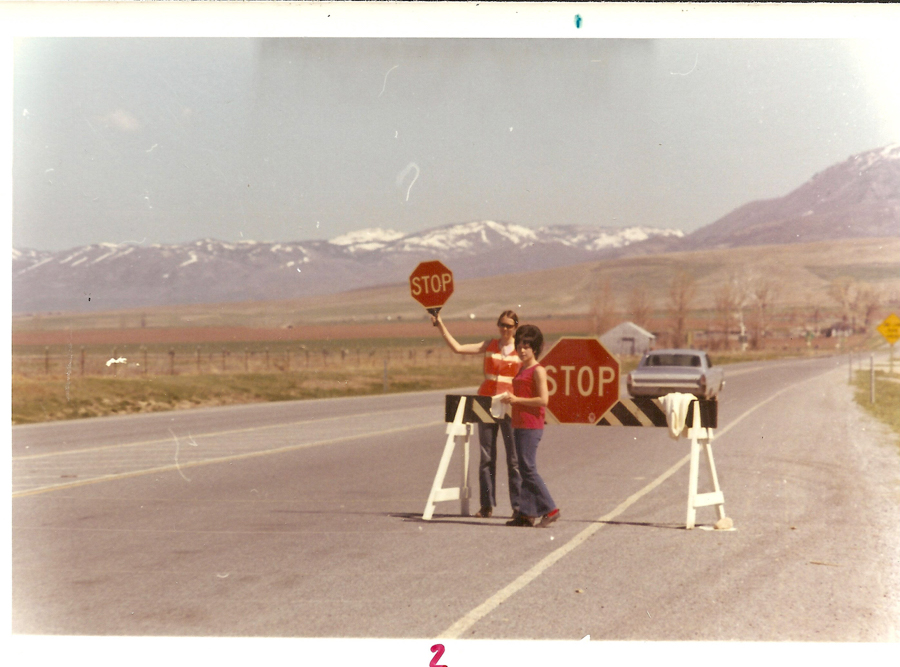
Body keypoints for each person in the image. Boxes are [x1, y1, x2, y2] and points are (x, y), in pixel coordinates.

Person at [431, 310, 522, 519]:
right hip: (487, 405)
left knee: (514, 459)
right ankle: (486, 506)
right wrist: (440, 325)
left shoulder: (522, 350)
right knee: (486, 457)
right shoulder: (489, 345)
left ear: (516, 327)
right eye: (501, 324)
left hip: (510, 408)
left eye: (509, 325)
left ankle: (518, 507)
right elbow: (458, 348)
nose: (505, 329)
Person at [501, 324, 560, 528]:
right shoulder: (522, 369)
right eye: (519, 345)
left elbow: (544, 400)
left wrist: (517, 400)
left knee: (528, 468)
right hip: (519, 423)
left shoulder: (538, 370)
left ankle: (550, 509)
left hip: (531, 424)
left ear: (535, 348)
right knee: (525, 468)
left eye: (527, 346)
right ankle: (526, 514)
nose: (522, 350)